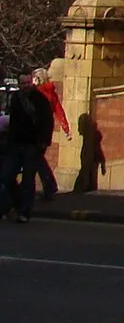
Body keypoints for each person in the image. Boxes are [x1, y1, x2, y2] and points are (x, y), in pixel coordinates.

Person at [3, 77, 53, 223]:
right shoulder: (16, 99)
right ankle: (17, 204)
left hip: (33, 145)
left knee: (28, 180)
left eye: (27, 83)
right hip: (16, 144)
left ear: (32, 83)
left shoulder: (40, 99)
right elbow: (13, 121)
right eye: (22, 83)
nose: (25, 86)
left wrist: (43, 143)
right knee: (6, 177)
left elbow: (47, 121)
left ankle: (24, 211)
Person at [30, 70, 66, 202]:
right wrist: (66, 128)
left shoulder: (39, 94)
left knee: (36, 160)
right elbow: (58, 110)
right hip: (46, 132)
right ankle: (45, 187)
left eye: (34, 78)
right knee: (37, 160)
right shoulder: (51, 93)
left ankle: (48, 186)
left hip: (37, 132)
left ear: (39, 79)